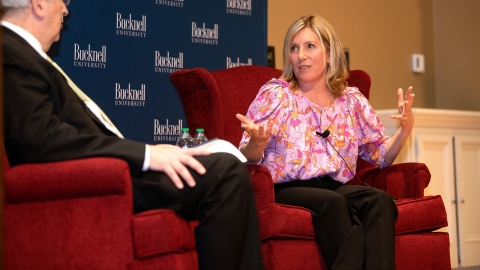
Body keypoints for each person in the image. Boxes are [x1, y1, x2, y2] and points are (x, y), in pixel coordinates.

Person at [1, 0, 265, 269]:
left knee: (221, 165)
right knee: (225, 173)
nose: (66, 10)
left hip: (111, 170)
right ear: (39, 4)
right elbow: (41, 140)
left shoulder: (25, 55)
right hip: (102, 177)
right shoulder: (11, 53)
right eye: (62, 1)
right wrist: (147, 155)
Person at [236, 14, 415, 270]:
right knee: (333, 204)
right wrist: (258, 141)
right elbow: (247, 156)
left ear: (329, 54)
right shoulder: (276, 95)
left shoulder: (350, 100)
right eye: (294, 48)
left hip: (332, 186)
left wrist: (405, 130)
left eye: (310, 46)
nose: (301, 55)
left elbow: (381, 155)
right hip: (287, 187)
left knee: (379, 201)